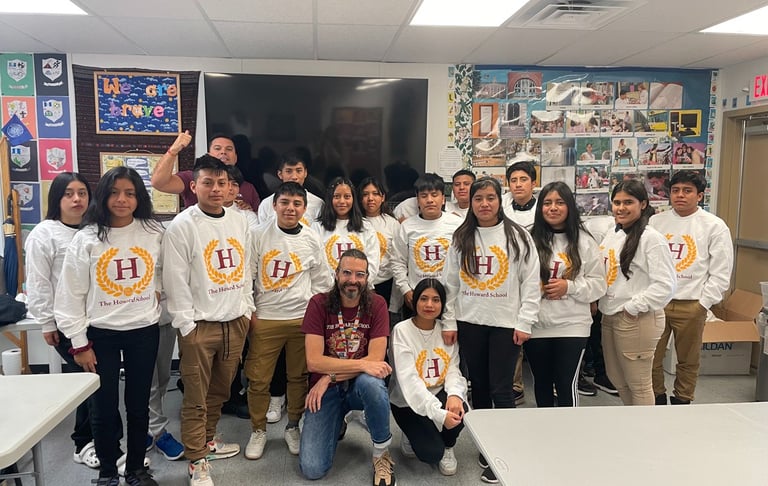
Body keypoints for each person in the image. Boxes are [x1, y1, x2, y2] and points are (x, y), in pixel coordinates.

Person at [55, 167, 164, 486]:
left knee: (138, 405)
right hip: (100, 334)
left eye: (130, 193)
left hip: (143, 330)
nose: (122, 199)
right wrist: (79, 343)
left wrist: (157, 288)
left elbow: (164, 267)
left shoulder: (152, 231)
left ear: (139, 198)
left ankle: (136, 469)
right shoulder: (87, 238)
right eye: (114, 193)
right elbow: (70, 294)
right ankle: (107, 473)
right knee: (102, 407)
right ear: (103, 196)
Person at [162, 155, 255, 486]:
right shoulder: (182, 226)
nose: (216, 189)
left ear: (230, 187)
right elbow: (174, 280)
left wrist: (246, 308)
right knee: (196, 398)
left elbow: (246, 267)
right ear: (193, 186)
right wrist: (186, 325)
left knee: (220, 391)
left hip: (235, 320)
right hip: (199, 326)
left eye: (222, 183)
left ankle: (208, 441)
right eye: (208, 183)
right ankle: (196, 460)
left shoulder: (240, 221)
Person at [441, 177, 540, 484]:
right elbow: (450, 283)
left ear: (500, 201)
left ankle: (504, 450)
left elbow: (531, 282)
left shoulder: (518, 236)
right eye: (478, 199)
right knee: (480, 387)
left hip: (505, 324)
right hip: (470, 321)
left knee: (501, 388)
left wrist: (525, 322)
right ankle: (487, 442)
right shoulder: (461, 236)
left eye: (490, 198)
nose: (484, 204)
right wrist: (449, 321)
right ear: (470, 203)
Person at [244, 182, 334, 460]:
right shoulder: (257, 234)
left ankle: (293, 425)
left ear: (305, 208)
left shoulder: (311, 238)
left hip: (300, 320)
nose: (290, 208)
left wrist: (314, 313)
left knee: (298, 377)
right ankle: (258, 430)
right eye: (284, 202)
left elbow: (322, 280)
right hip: (266, 318)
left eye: (297, 204)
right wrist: (251, 314)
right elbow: (247, 276)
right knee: (259, 379)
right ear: (274, 205)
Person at [299, 249, 395, 486]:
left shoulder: (377, 304)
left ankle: (381, 453)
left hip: (356, 385)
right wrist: (361, 364)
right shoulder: (318, 303)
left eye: (360, 274)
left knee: (373, 384)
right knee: (312, 468)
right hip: (327, 391)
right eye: (347, 273)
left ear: (367, 277)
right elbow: (314, 361)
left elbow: (376, 360)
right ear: (336, 274)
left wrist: (329, 375)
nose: (353, 280)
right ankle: (338, 419)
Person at [25, 172, 99, 469]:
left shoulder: (94, 230)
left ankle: (99, 437)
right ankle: (84, 443)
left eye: (82, 193)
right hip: (66, 324)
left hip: (95, 320)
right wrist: (46, 322)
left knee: (94, 382)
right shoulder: (45, 233)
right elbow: (38, 281)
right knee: (90, 380)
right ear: (57, 198)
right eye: (68, 194)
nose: (77, 199)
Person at [650, 170, 733, 405]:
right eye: (675, 190)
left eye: (687, 191)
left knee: (687, 360)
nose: (680, 195)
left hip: (692, 304)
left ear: (699, 195)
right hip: (658, 303)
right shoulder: (656, 222)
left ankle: (682, 401)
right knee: (650, 358)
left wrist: (703, 304)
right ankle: (656, 399)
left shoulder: (714, 226)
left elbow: (721, 271)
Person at [526, 182, 606, 408]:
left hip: (572, 325)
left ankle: (570, 427)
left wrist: (569, 287)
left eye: (560, 202)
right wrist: (536, 288)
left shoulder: (585, 241)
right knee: (541, 382)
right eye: (547, 203)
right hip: (536, 324)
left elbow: (599, 284)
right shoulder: (528, 238)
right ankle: (544, 425)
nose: (553, 208)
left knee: (566, 383)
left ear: (570, 206)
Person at [598, 180, 676, 406]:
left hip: (636, 318)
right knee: (617, 380)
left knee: (639, 384)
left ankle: (645, 428)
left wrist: (633, 308)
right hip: (610, 315)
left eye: (628, 202)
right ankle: (632, 422)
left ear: (643, 204)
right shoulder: (613, 234)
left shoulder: (651, 238)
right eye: (617, 203)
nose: (621, 208)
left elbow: (666, 285)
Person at [389, 278, 468, 476]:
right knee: (431, 453)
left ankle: (448, 445)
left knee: (461, 409)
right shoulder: (401, 331)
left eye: (436, 300)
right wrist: (439, 414)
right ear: (414, 301)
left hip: (438, 391)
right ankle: (412, 433)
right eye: (424, 299)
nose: (429, 305)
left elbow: (453, 369)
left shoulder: (446, 330)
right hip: (406, 401)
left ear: (443, 304)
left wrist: (454, 395)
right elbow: (409, 382)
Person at [390, 173, 463, 318]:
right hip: (416, 297)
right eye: (424, 196)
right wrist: (405, 290)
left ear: (443, 199)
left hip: (449, 298)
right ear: (417, 200)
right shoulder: (407, 226)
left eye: (434, 195)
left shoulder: (457, 225)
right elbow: (397, 261)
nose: (429, 200)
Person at [501, 161, 538, 405]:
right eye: (513, 180)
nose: (518, 185)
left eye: (523, 179)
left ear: (533, 183)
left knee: (537, 335)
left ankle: (547, 382)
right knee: (512, 334)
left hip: (538, 276)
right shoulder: (503, 208)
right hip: (509, 277)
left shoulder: (544, 209)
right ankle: (515, 385)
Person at [151, 131, 261, 211]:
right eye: (217, 148)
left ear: (235, 158)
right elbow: (159, 183)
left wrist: (248, 212)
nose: (223, 152)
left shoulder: (248, 188)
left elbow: (258, 219)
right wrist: (173, 151)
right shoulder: (193, 177)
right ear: (209, 154)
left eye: (229, 149)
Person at [312, 177, 380, 284]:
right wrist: (334, 286)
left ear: (353, 199)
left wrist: (357, 283)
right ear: (330, 198)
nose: (342, 201)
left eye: (347, 196)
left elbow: (373, 262)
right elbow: (316, 263)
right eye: (337, 196)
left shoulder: (366, 226)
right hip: (327, 288)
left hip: (359, 288)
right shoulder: (317, 227)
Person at [358, 177, 401, 311]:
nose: (370, 198)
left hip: (385, 283)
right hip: (358, 281)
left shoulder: (392, 224)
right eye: (365, 194)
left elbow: (398, 257)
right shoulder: (354, 222)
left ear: (383, 197)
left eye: (375, 194)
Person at [256, 151, 324, 226]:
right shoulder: (266, 204)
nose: (294, 177)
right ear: (280, 174)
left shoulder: (318, 204)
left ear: (305, 173)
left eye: (299, 171)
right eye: (289, 171)